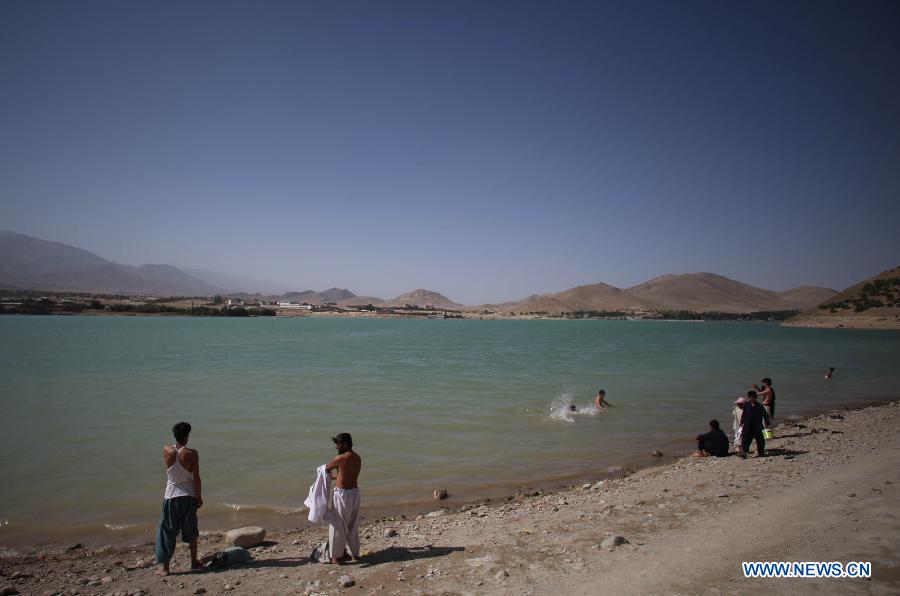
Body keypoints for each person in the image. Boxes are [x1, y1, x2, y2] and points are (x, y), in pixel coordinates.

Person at [156, 422, 203, 575]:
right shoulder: (192, 454)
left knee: (167, 531)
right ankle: (194, 562)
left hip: (171, 496)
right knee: (191, 531)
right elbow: (196, 478)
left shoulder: (166, 450)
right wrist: (199, 496)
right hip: (188, 495)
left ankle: (165, 567)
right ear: (187, 435)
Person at [325, 433, 362, 565]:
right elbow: (346, 475)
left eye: (338, 444)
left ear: (345, 444)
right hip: (355, 493)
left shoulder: (340, 458)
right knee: (352, 525)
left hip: (343, 495)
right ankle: (354, 553)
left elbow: (325, 469)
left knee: (337, 525)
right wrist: (336, 478)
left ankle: (336, 556)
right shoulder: (357, 457)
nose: (336, 447)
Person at [739, 391, 770, 458]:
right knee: (745, 439)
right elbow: (744, 414)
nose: (751, 398)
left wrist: (767, 424)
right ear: (748, 397)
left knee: (760, 440)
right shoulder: (746, 405)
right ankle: (744, 453)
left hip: (757, 426)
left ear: (756, 397)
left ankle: (761, 453)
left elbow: (765, 415)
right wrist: (741, 422)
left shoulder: (760, 406)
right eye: (750, 397)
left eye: (753, 397)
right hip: (748, 426)